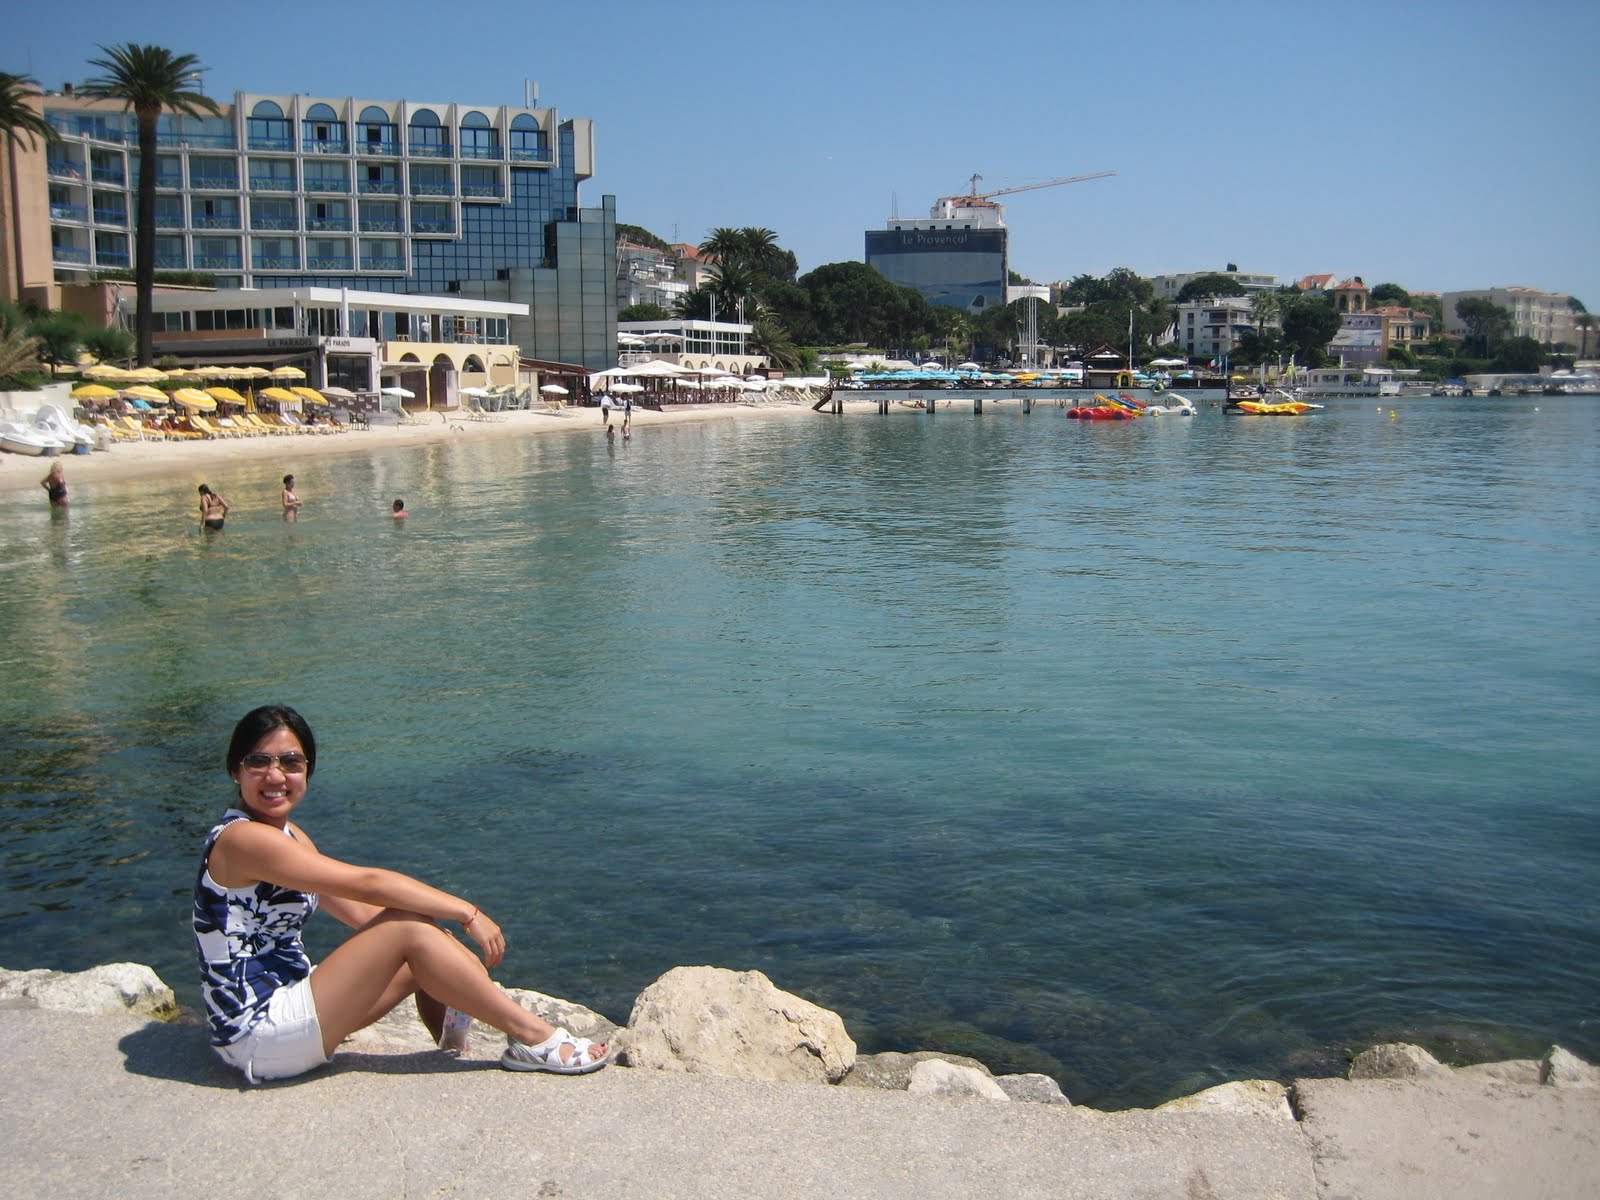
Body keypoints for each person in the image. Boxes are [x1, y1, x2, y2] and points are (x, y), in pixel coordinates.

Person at [193, 705, 609, 1083]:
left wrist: (444, 946)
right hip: (258, 1034)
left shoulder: (288, 837)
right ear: (236, 770)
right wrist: (466, 913)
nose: (276, 776)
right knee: (409, 929)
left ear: (307, 770)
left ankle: (450, 1050)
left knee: (418, 936)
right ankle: (535, 1037)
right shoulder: (242, 841)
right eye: (258, 762)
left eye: (291, 762)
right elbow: (367, 884)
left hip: (291, 1012)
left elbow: (359, 912)